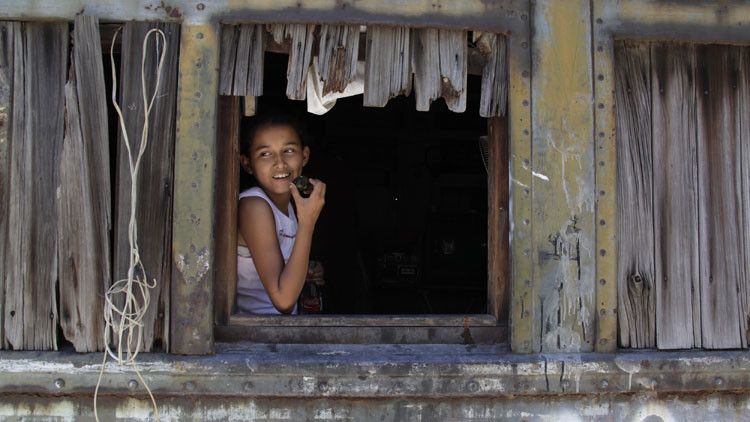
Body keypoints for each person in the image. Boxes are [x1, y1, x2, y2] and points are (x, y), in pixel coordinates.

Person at [236, 114, 326, 315]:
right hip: (254, 337)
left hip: (280, 331)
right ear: (247, 163)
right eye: (265, 154)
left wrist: (306, 271)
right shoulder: (254, 206)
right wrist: (307, 223)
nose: (279, 163)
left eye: (289, 151)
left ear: (304, 156)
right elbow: (283, 300)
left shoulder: (289, 206)